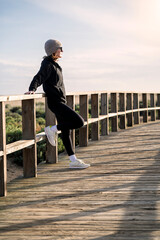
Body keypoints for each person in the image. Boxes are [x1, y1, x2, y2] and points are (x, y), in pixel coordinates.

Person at [25, 39, 90, 169]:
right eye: (60, 48)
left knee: (65, 132)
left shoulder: (54, 64)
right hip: (56, 102)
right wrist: (32, 89)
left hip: (60, 101)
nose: (62, 51)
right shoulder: (47, 64)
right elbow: (39, 77)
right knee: (79, 122)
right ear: (53, 51)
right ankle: (52, 129)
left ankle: (73, 161)